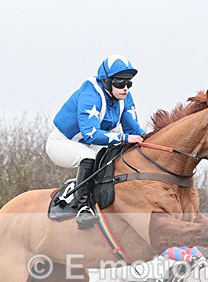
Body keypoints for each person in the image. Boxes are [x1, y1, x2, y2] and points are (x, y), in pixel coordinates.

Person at [46, 54, 146, 229]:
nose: (125, 88)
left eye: (129, 83)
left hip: (89, 144)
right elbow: (91, 133)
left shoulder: (124, 98)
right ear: (106, 81)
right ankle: (83, 208)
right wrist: (124, 138)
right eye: (120, 83)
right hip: (61, 142)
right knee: (89, 157)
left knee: (115, 154)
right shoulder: (90, 94)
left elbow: (134, 131)